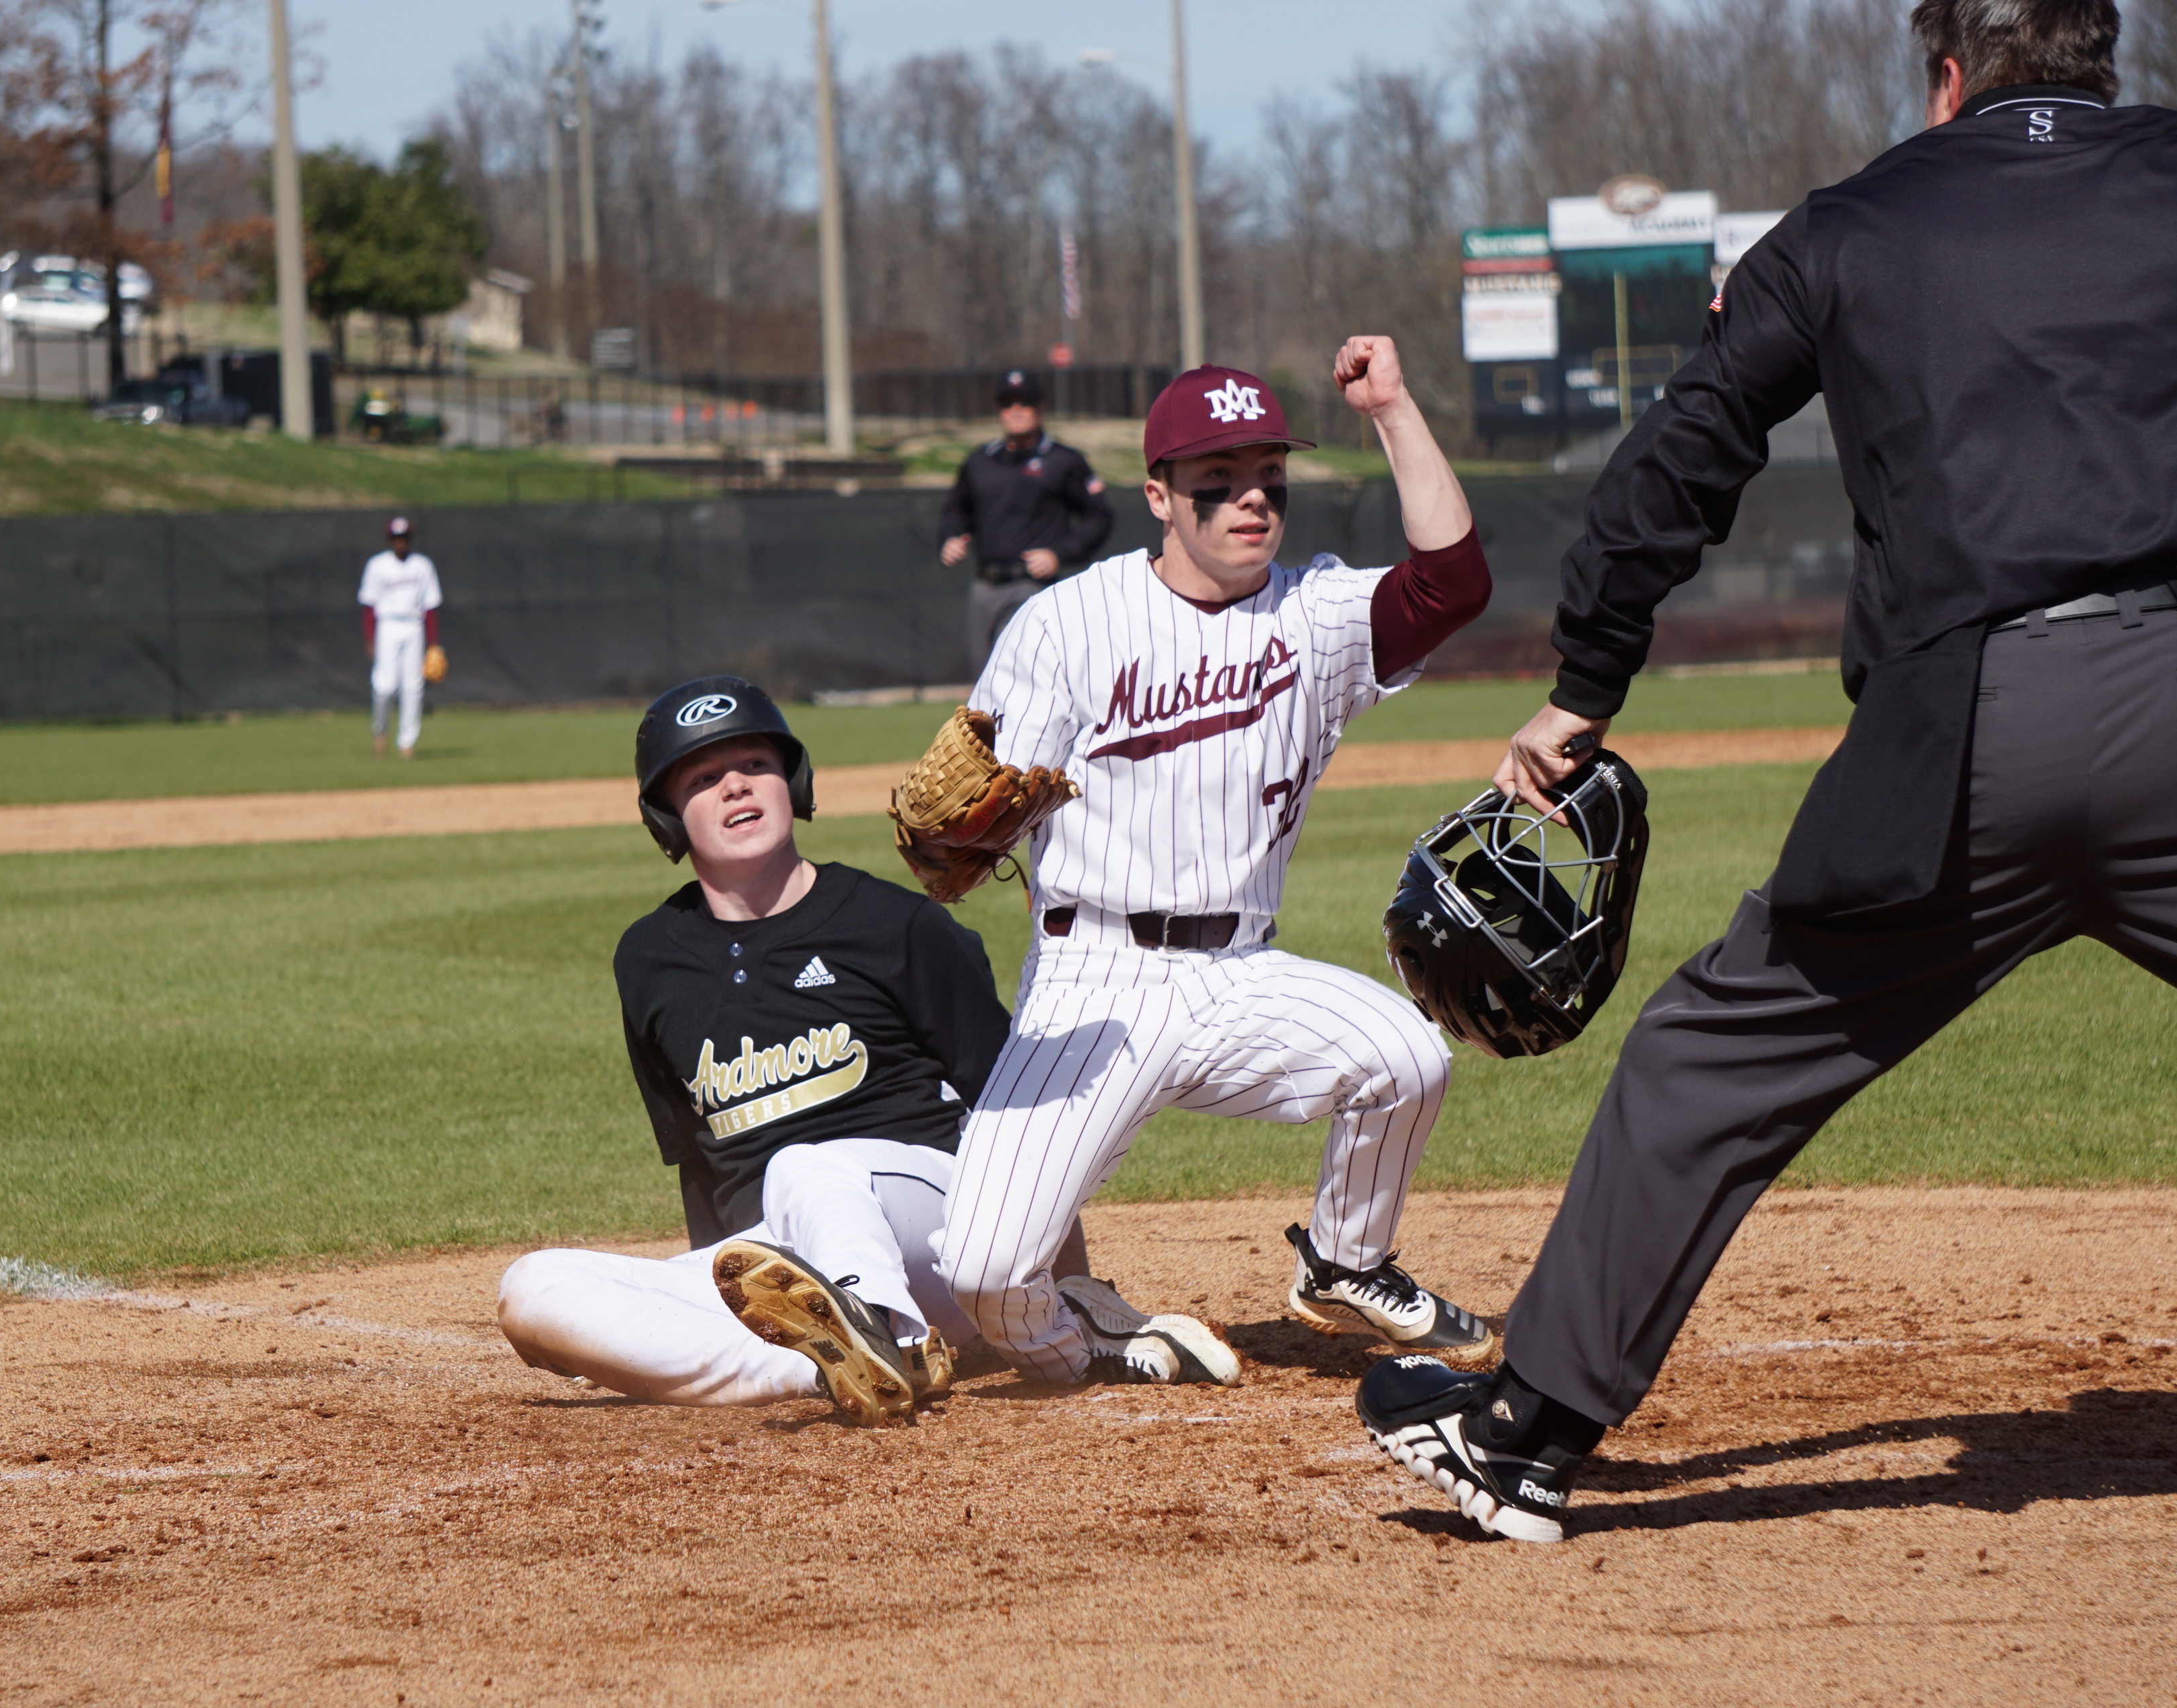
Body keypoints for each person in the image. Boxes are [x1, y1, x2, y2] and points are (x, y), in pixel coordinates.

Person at [1357, 0, 2177, 1544]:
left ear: (1945, 78)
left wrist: (1588, 675)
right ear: (2097, 65)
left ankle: (1521, 1437)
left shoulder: (1849, 224)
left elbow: (1682, 452)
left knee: (1710, 1058)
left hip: (1969, 754)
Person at [936, 344, 1501, 1390]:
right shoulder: (1069, 622)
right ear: (1159, 495)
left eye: (1269, 477)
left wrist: (1391, 405)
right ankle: (1088, 1342)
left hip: (1239, 973)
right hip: (1093, 980)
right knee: (983, 1270)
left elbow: (1453, 583)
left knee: (1408, 1057)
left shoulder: (1314, 614)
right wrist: (968, 838)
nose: (1252, 499)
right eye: (1219, 479)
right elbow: (977, 805)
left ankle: (1346, 1263)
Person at [495, 676, 1131, 1424]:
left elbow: (1019, 1118)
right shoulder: (649, 960)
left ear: (792, 783)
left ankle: (881, 1326)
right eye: (702, 778)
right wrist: (734, 1287)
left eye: (755, 765)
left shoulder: (896, 926)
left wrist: (1064, 1286)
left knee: (804, 1169)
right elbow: (699, 1160)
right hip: (782, 1262)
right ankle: (820, 1367)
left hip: (927, 1234)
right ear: (668, 817)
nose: (735, 786)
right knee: (533, 1289)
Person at [939, 369, 1113, 671]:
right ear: (998, 410)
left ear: (1041, 408)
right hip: (984, 586)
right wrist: (951, 538)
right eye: (1008, 403)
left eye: (1025, 402)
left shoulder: (1062, 460)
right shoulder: (980, 462)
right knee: (984, 682)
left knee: (1020, 674)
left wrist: (1060, 554)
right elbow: (956, 510)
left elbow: (1098, 515)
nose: (1016, 410)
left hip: (1031, 586)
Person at [358, 517, 442, 758]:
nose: (400, 543)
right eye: (396, 538)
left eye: (404, 538)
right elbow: (369, 606)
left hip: (414, 626)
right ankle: (381, 732)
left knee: (413, 688)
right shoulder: (377, 565)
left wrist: (433, 644)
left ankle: (407, 742)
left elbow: (430, 607)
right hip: (387, 625)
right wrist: (370, 638)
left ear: (410, 539)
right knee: (385, 686)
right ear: (389, 540)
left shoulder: (422, 566)